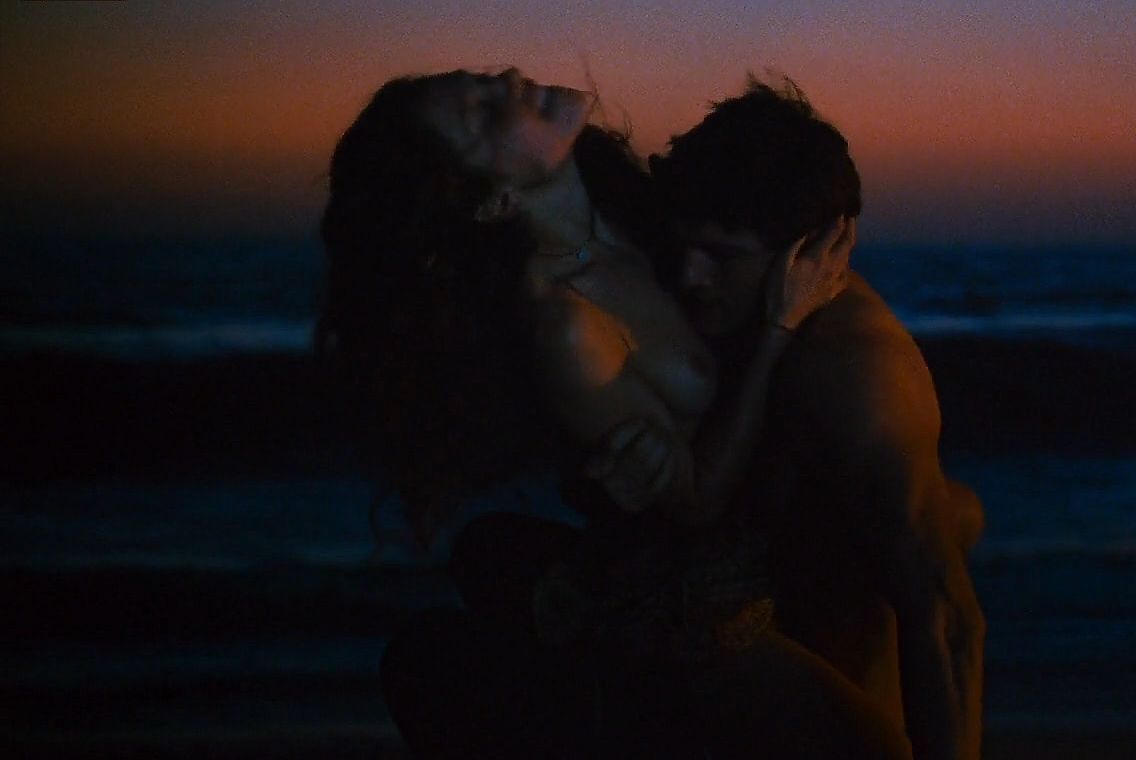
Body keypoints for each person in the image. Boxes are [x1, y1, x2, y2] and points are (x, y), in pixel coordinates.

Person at [316, 67, 909, 758]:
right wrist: (780, 331)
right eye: (482, 114)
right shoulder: (567, 324)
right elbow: (696, 501)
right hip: (694, 603)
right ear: (494, 199)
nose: (510, 78)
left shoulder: (635, 217)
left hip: (777, 545)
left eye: (481, 80)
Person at [649, 77, 987, 760]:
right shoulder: (728, 312)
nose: (689, 277)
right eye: (682, 247)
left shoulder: (852, 368)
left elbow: (946, 616)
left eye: (721, 256)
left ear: (807, 254)